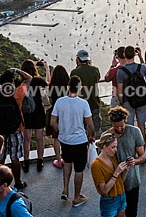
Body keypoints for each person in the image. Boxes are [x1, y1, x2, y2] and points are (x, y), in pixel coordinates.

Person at [50, 75, 95, 208]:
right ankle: (76, 198)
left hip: (65, 140)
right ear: (80, 88)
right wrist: (90, 137)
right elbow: (90, 125)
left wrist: (60, 132)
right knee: (79, 170)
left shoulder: (60, 102)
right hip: (80, 141)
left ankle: (65, 189)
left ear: (68, 87)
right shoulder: (83, 103)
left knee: (67, 164)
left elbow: (52, 122)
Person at [105, 106, 146, 217]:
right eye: (116, 127)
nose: (118, 129)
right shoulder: (107, 136)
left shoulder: (134, 131)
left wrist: (135, 161)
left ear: (126, 120)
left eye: (121, 126)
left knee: (131, 212)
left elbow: (142, 157)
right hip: (114, 181)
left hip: (132, 180)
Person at [0, 67, 32, 190]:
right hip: (16, 129)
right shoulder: (17, 93)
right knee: (15, 157)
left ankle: (1, 183)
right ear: (12, 82)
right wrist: (15, 70)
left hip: (1, 132)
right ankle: (18, 182)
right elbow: (29, 78)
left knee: (0, 158)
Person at [21, 58, 50, 173]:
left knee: (26, 139)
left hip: (26, 113)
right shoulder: (37, 80)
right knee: (39, 139)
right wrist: (46, 68)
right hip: (38, 111)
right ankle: (40, 161)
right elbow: (48, 82)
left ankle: (26, 162)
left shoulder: (20, 82)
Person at [91, 132, 129, 217]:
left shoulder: (112, 157)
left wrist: (125, 170)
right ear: (104, 147)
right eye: (113, 147)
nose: (116, 150)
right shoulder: (96, 165)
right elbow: (104, 190)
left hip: (121, 195)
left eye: (116, 146)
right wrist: (116, 173)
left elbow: (120, 181)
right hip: (109, 200)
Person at [117, 46, 146, 142]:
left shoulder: (121, 71)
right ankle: (143, 150)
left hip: (128, 101)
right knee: (141, 125)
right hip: (142, 100)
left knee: (129, 127)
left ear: (124, 55)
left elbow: (119, 91)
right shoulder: (142, 67)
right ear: (135, 54)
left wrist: (121, 103)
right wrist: (140, 56)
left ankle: (132, 150)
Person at [70, 49, 102, 136]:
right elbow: (98, 78)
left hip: (80, 104)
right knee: (96, 130)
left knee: (82, 130)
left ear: (78, 59)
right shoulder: (95, 70)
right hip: (94, 102)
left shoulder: (75, 72)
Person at [47, 64, 69, 169]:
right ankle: (67, 158)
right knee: (66, 135)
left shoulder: (52, 86)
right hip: (67, 113)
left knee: (56, 137)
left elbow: (50, 100)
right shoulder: (68, 87)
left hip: (56, 113)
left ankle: (59, 160)